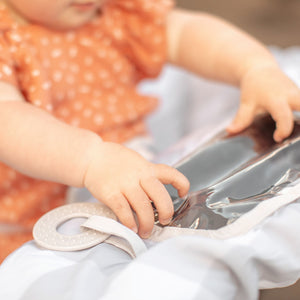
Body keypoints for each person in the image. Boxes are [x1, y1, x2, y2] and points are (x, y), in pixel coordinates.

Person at [0, 0, 299, 263]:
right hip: (29, 214)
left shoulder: (115, 13)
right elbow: (8, 119)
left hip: (131, 173)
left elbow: (186, 34)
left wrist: (255, 68)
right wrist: (92, 160)